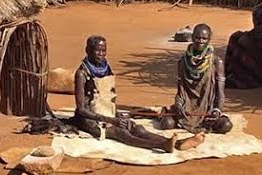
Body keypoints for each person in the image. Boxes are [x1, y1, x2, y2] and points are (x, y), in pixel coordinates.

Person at [74, 36, 205, 152]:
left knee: (137, 128)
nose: (101, 54)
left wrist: (116, 114)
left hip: (107, 113)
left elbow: (108, 96)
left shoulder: (106, 67)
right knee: (122, 133)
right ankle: (162, 145)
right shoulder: (81, 73)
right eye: (98, 50)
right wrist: (111, 120)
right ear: (87, 50)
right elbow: (81, 109)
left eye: (104, 50)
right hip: (89, 119)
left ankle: (178, 143)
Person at [160, 24, 233, 134]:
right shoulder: (183, 61)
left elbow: (220, 93)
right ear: (192, 37)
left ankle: (204, 122)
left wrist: (217, 110)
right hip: (187, 109)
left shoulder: (216, 62)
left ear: (209, 40)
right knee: (167, 123)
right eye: (197, 38)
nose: (200, 41)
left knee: (226, 125)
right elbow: (180, 91)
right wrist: (179, 105)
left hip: (207, 110)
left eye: (204, 38)